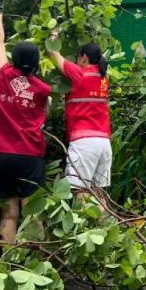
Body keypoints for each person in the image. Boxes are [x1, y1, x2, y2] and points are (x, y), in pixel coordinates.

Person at [0, 9, 51, 243]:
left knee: (8, 211)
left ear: (14, 58)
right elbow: (45, 117)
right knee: (33, 211)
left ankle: (7, 259)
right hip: (29, 155)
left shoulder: (2, 75)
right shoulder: (43, 90)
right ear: (37, 62)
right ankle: (38, 261)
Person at [47, 42, 112, 195]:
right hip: (104, 143)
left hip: (84, 144)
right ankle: (103, 219)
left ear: (84, 57)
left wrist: (53, 35)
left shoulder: (78, 73)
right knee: (98, 193)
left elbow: (52, 52)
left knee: (81, 193)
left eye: (78, 57)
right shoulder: (104, 76)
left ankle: (85, 220)